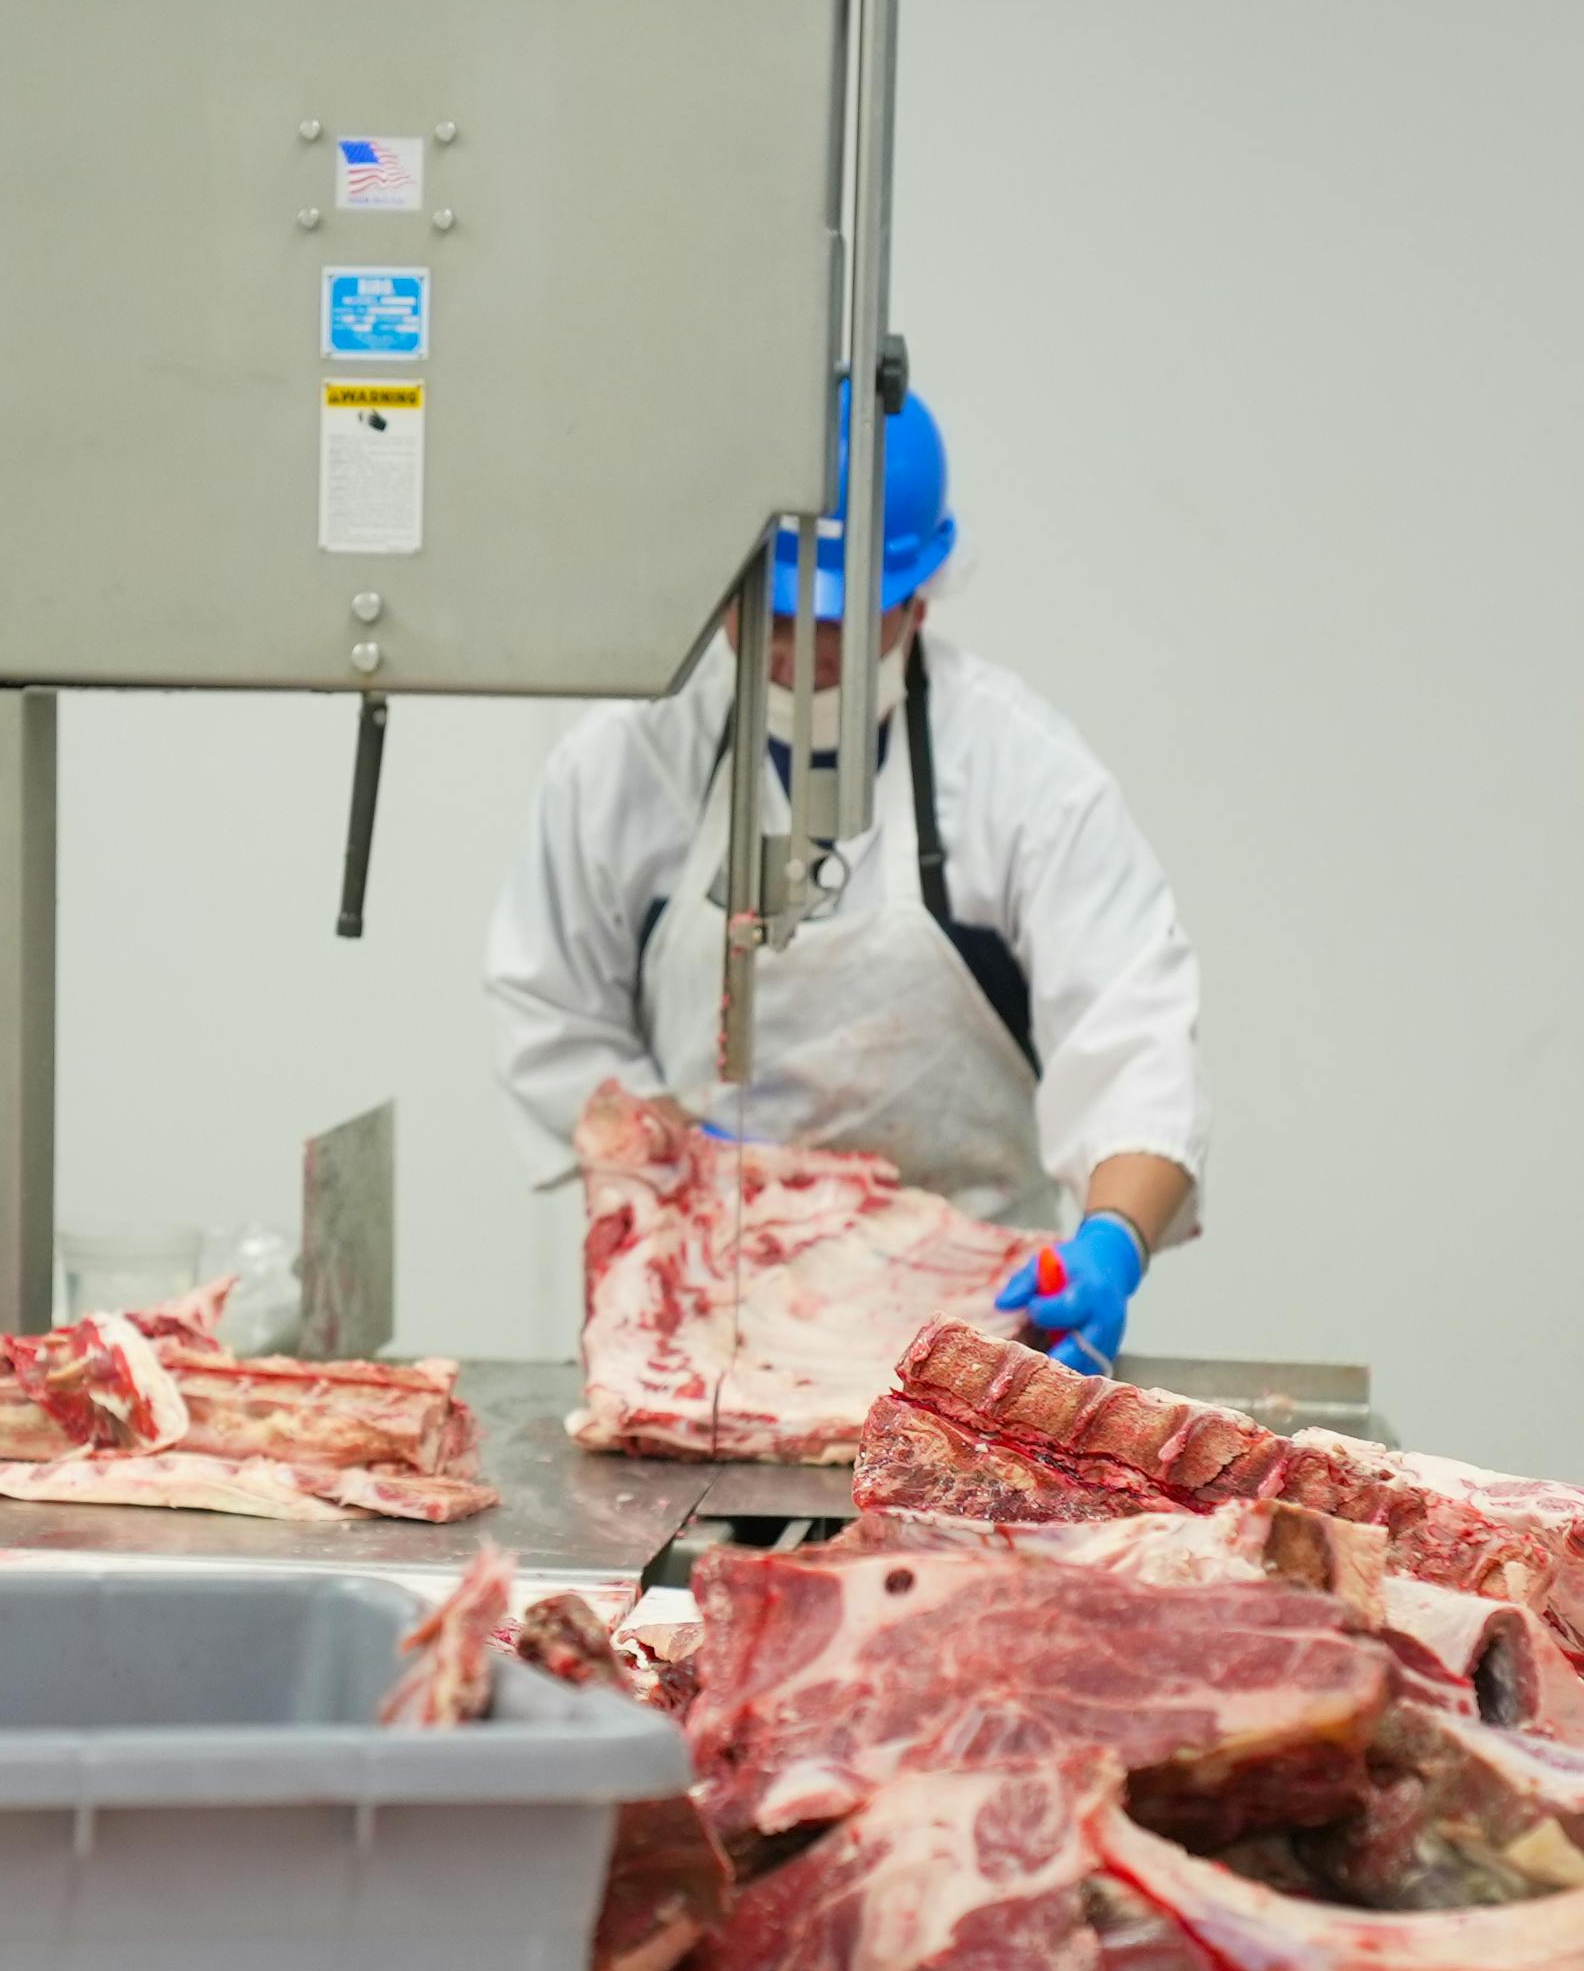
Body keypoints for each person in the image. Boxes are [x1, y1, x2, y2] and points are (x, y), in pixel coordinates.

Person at [481, 380, 1208, 1373]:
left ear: (916, 595)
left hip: (974, 1330)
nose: (799, 655)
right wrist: (664, 1204)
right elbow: (552, 1012)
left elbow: (1134, 1037)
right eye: (770, 616)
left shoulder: (1021, 772)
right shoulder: (620, 768)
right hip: (703, 1332)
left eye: (837, 622)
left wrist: (1111, 1245)